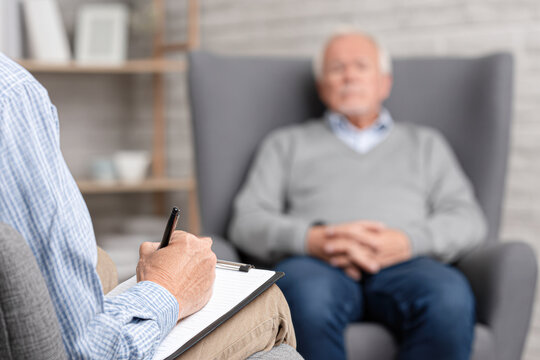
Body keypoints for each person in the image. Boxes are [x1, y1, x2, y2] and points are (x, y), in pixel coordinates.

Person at [0, 53, 301, 360]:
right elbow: (83, 349)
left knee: (102, 264)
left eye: (356, 64)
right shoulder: (10, 94)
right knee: (266, 302)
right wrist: (168, 287)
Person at [229, 29, 487, 360]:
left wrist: (408, 241)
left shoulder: (425, 144)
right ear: (322, 86)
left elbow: (468, 219)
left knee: (449, 297)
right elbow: (246, 220)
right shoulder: (285, 144)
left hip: (408, 264)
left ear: (384, 83)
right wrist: (314, 239)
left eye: (361, 66)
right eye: (336, 68)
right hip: (317, 265)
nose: (349, 75)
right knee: (305, 296)